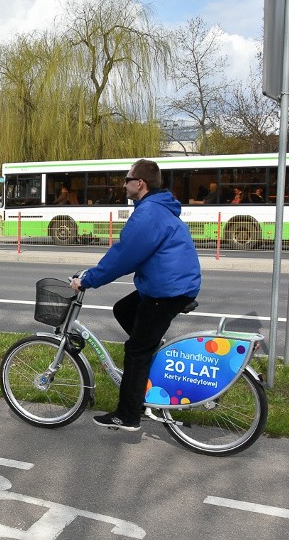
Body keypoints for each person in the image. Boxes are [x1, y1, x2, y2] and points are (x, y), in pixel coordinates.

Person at [70, 159, 201, 432]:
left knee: (136, 352)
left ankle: (128, 415)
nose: (124, 185)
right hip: (170, 285)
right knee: (124, 309)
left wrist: (87, 280)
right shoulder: (157, 208)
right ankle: (150, 352)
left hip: (167, 291)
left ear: (139, 183)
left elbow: (124, 256)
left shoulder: (149, 213)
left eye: (127, 179)